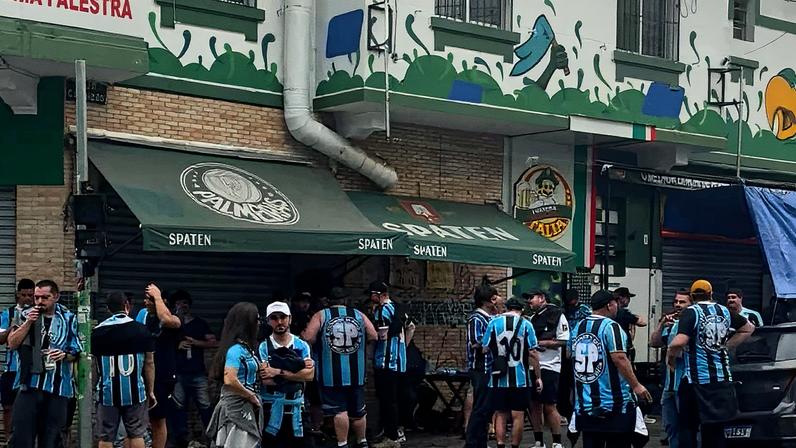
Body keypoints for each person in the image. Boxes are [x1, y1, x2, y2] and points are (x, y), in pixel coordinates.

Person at [667, 280, 754, 448]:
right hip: (721, 380)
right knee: (716, 428)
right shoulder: (724, 311)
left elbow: (679, 342)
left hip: (695, 381)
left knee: (687, 427)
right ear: (711, 294)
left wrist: (670, 358)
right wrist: (725, 346)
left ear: (692, 296)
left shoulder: (691, 312)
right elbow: (748, 328)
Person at [569, 290, 651, 448]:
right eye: (615, 304)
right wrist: (636, 385)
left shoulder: (579, 327)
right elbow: (619, 358)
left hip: (586, 402)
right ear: (609, 305)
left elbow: (569, 354)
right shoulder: (611, 327)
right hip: (614, 404)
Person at [7, 280, 83, 448]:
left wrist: (64, 355)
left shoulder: (68, 318)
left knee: (52, 438)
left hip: (57, 387)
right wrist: (28, 323)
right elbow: (12, 343)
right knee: (21, 437)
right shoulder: (23, 314)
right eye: (37, 297)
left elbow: (76, 350)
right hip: (29, 384)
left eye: (45, 297)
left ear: (56, 297)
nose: (40, 302)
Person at [302, 287, 378, 448]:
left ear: (328, 301)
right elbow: (373, 335)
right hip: (356, 373)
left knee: (339, 410)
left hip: (331, 374)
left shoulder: (321, 315)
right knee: (358, 411)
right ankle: (362, 441)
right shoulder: (359, 315)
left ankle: (342, 443)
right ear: (345, 300)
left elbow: (308, 337)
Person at [92, 292, 156, 448]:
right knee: (136, 432)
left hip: (107, 393)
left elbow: (94, 365)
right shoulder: (141, 330)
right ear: (127, 305)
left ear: (108, 309)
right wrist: (151, 391)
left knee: (106, 436)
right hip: (135, 392)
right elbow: (149, 363)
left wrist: (95, 388)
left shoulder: (98, 332)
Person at [482, 297, 543, 448]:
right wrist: (538, 376)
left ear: (507, 308)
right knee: (518, 415)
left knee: (500, 414)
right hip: (520, 378)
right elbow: (533, 353)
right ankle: (515, 446)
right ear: (521, 309)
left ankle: (500, 445)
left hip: (497, 378)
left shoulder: (493, 323)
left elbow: (484, 348)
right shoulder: (526, 324)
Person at [259, 301, 315, 448]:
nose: (279, 322)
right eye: (274, 318)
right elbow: (266, 379)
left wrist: (278, 372)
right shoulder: (264, 346)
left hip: (298, 408)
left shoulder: (301, 345)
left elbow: (309, 376)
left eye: (283, 317)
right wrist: (296, 376)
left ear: (289, 319)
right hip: (271, 409)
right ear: (268, 321)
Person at [207, 302, 263, 448]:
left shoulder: (246, 348)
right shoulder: (236, 350)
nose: (259, 324)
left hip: (245, 405)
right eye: (257, 320)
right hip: (236, 407)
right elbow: (230, 379)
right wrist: (250, 396)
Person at [370, 281, 415, 447]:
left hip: (385, 361)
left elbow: (380, 336)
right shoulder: (399, 307)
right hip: (400, 362)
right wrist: (403, 348)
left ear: (379, 294)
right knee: (398, 398)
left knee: (387, 400)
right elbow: (411, 327)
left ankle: (391, 437)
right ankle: (397, 432)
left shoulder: (382, 310)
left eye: (372, 294)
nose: (370, 297)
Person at [138, 283, 182, 448]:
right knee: (138, 420)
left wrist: (157, 296)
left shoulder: (174, 318)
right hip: (143, 373)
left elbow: (166, 320)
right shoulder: (142, 316)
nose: (146, 302)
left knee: (158, 418)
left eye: (150, 299)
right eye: (146, 299)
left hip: (163, 375)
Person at [171, 290, 217, 447]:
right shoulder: (171, 326)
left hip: (198, 373)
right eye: (178, 303)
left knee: (205, 406)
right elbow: (160, 344)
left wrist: (196, 342)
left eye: (185, 303)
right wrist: (177, 345)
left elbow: (213, 342)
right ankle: (181, 441)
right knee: (178, 407)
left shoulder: (200, 323)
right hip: (178, 373)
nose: (182, 306)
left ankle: (213, 438)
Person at [525, 290, 569, 448]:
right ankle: (539, 441)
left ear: (542, 298)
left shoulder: (557, 315)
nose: (529, 301)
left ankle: (557, 442)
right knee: (534, 404)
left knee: (549, 404)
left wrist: (540, 343)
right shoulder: (531, 318)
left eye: (531, 297)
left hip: (550, 365)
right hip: (532, 365)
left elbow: (563, 340)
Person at [649, 288, 692, 448]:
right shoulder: (672, 324)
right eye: (676, 302)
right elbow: (654, 343)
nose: (678, 305)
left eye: (682, 302)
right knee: (670, 427)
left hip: (685, 383)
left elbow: (679, 352)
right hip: (669, 386)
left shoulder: (690, 324)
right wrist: (661, 325)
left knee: (687, 427)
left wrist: (672, 351)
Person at [463, 278, 502, 448]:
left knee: (486, 408)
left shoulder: (490, 318)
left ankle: (481, 441)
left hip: (489, 367)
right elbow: (475, 343)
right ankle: (472, 443)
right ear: (487, 300)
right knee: (480, 408)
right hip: (480, 367)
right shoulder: (476, 318)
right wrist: (490, 343)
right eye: (495, 298)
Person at [0, 278, 34, 436]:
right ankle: (8, 438)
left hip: (31, 369)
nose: (27, 298)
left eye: (30, 295)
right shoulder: (8, 313)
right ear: (17, 295)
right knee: (8, 406)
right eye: (24, 295)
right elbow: (1, 339)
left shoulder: (37, 314)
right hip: (11, 368)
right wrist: (12, 328)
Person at [559, 288, 589, 421]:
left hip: (581, 347)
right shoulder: (563, 310)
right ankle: (567, 410)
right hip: (566, 347)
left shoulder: (584, 310)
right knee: (566, 381)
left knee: (578, 380)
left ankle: (580, 408)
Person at [613, 287, 647, 363]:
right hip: (625, 348)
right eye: (627, 297)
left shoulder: (611, 312)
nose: (629, 300)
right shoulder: (624, 313)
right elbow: (642, 323)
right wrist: (636, 316)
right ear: (621, 298)